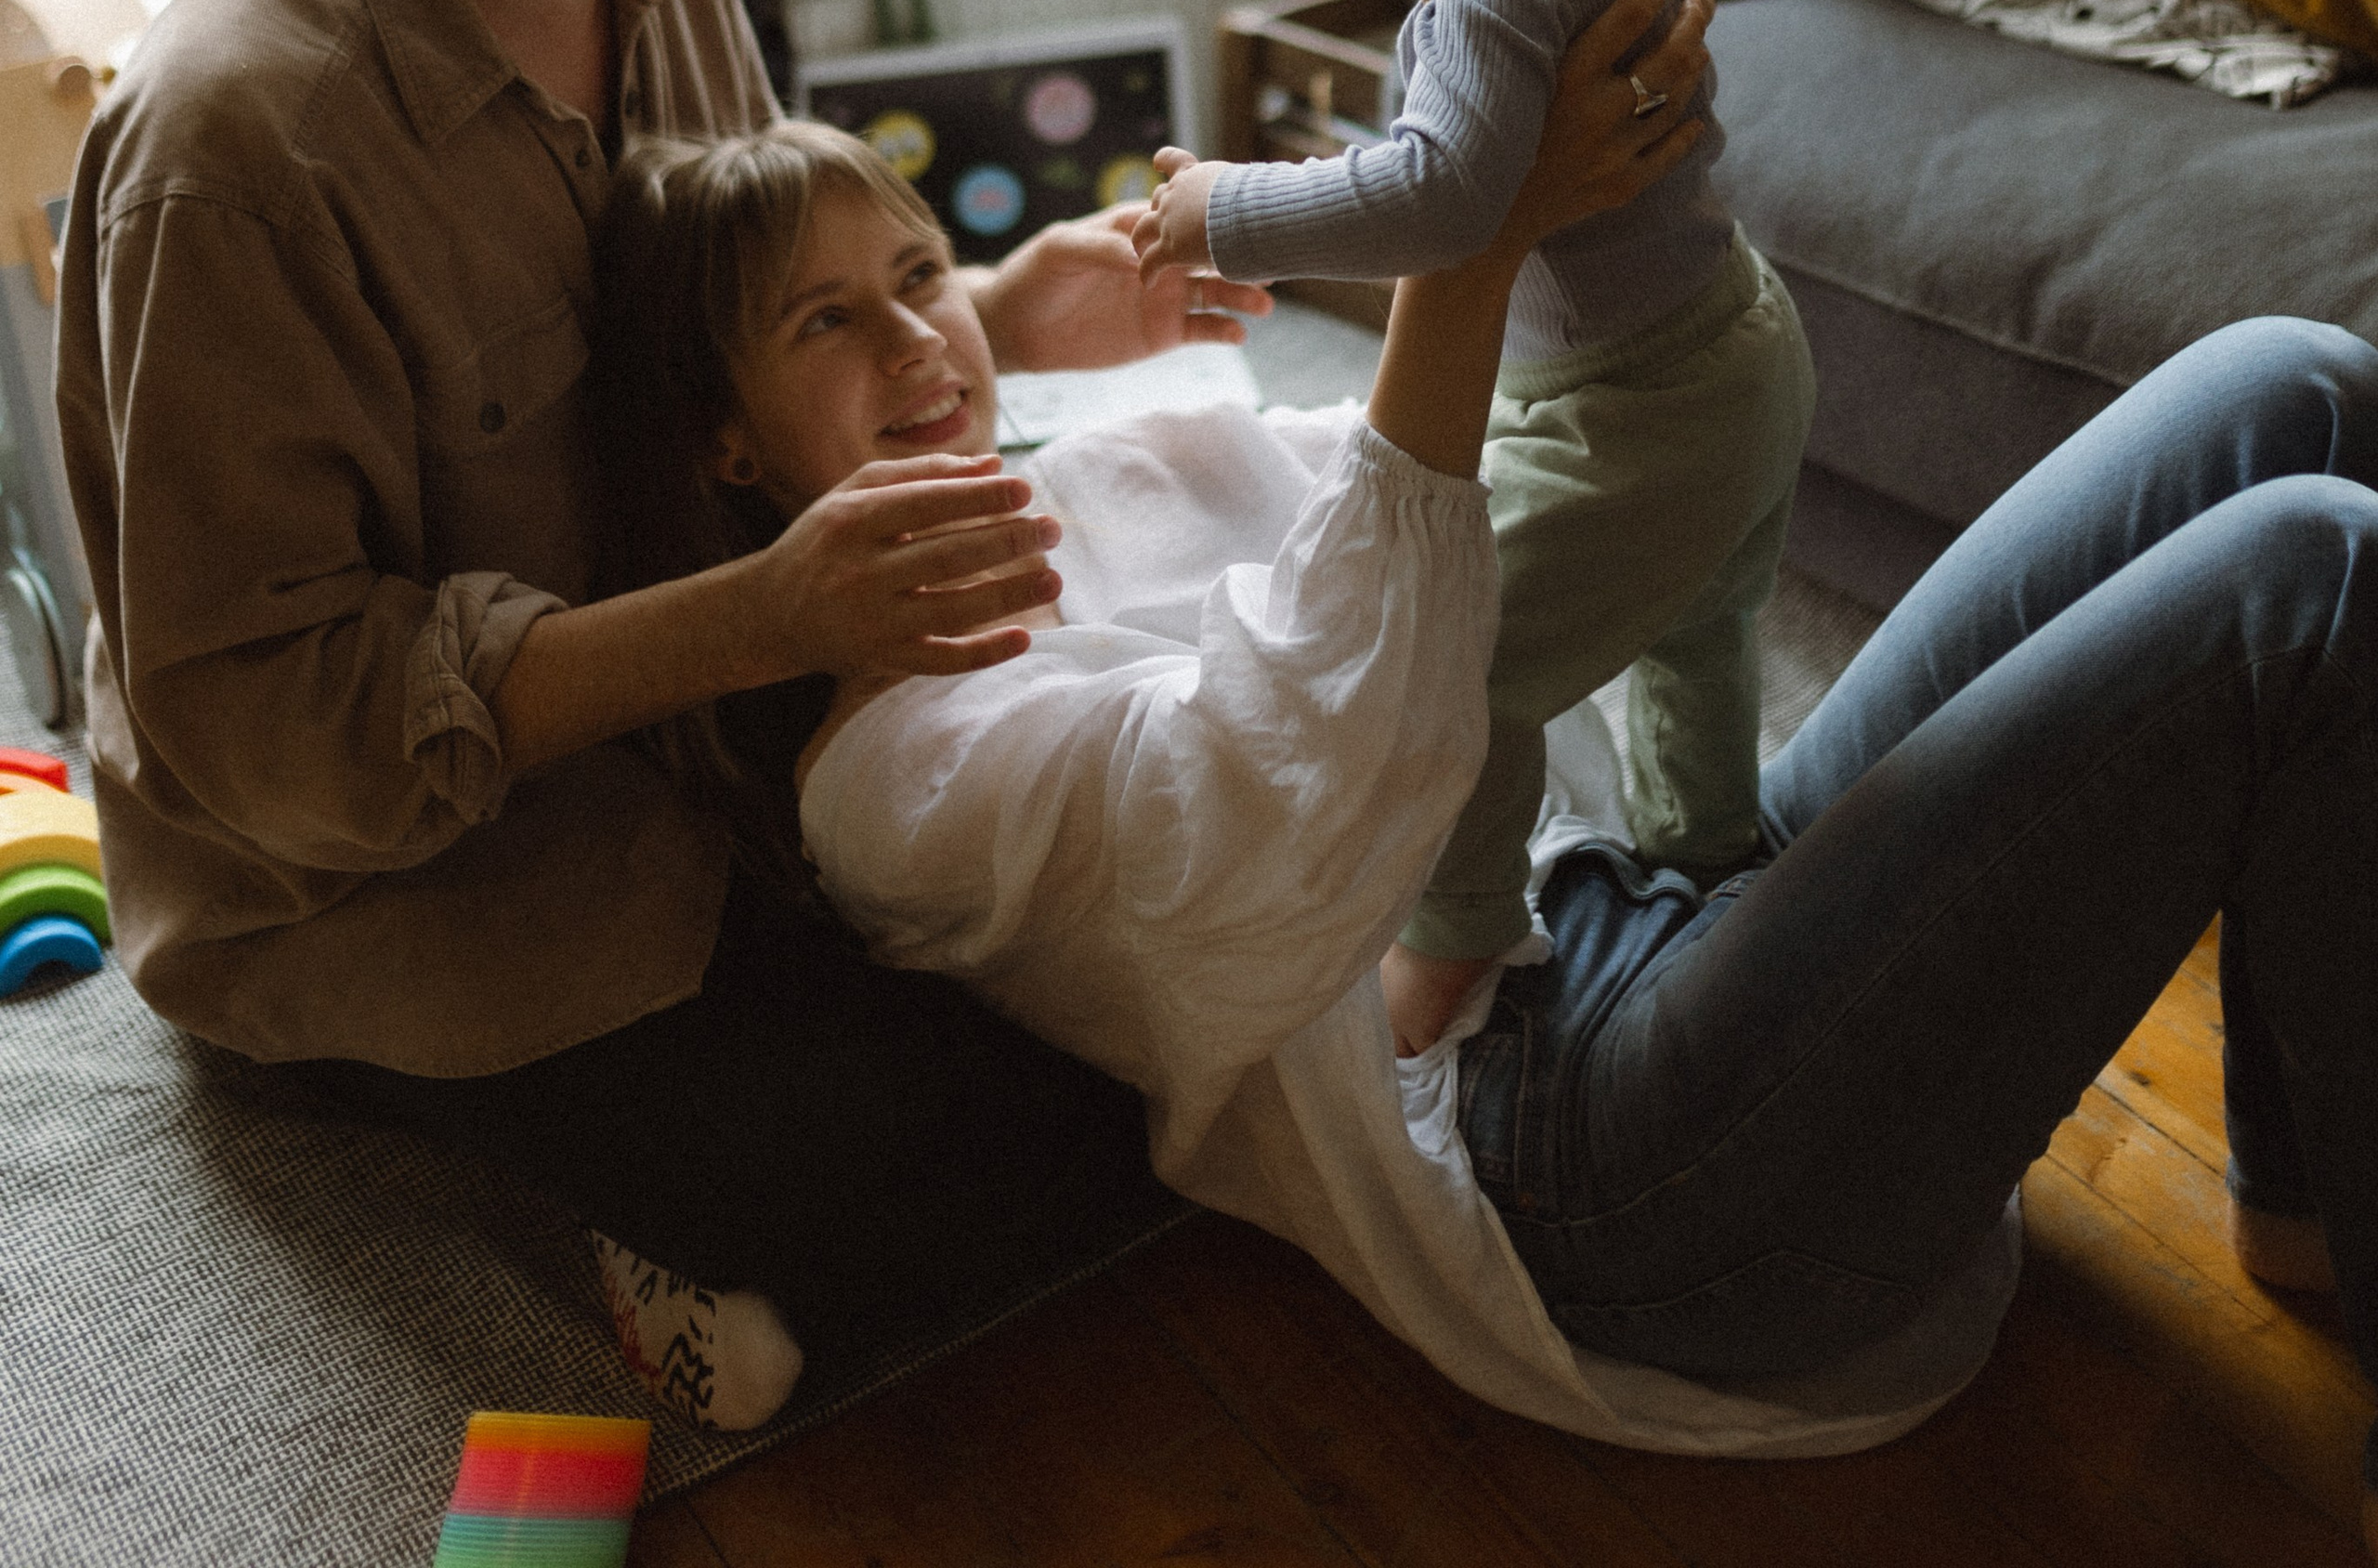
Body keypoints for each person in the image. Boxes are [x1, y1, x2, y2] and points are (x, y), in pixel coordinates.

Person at [52, 0, 1718, 1429]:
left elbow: (721, 335)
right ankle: (619, 1237)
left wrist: (995, 312)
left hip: (721, 701)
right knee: (1036, 1142)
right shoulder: (236, 148)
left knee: (1202, 983)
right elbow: (264, 723)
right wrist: (764, 618)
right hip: (399, 872)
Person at [596, 103, 2378, 1496]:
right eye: (826, 320)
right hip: (1579, 1160)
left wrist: (1593, 184)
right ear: (726, 443)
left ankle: (2305, 1190)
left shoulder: (1125, 457)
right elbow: (1313, 752)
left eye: (921, 275)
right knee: (2310, 577)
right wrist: (1470, 230)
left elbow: (1520, 481)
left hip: (1663, 895)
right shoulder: (890, 776)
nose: (915, 341)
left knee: (2291, 385)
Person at [1136, 0, 1813, 1052]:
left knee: (1463, 666)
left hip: (1637, 412)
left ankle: (1452, 945)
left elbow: (1440, 198)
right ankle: (1710, 857)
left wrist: (1227, 207)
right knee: (1701, 632)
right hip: (1739, 343)